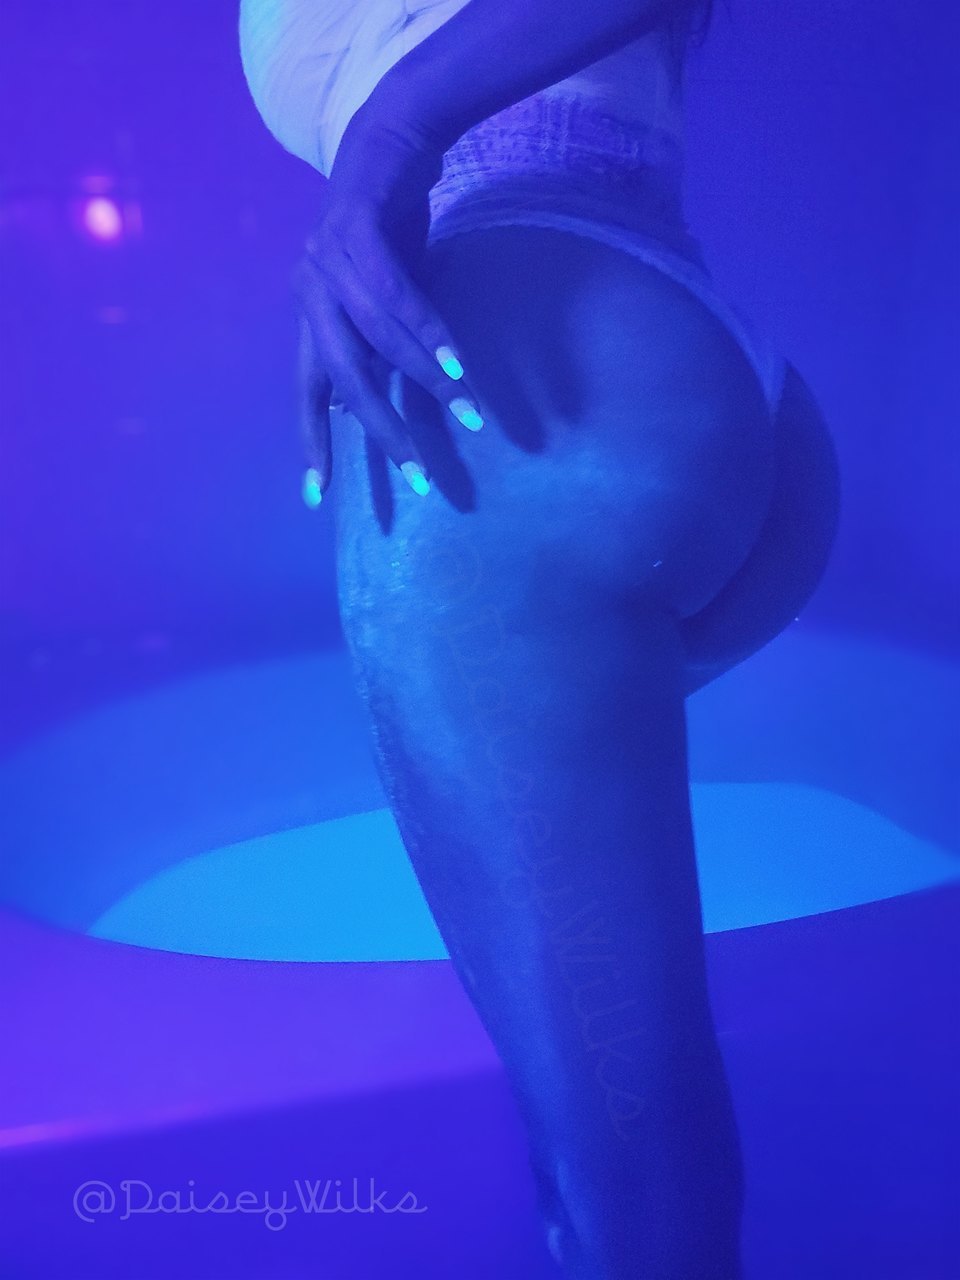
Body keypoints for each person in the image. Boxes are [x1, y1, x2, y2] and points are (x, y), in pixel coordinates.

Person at [238, 1, 841, 1275]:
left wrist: (389, 136)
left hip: (519, 396)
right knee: (624, 1177)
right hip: (654, 367)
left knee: (620, 1200)